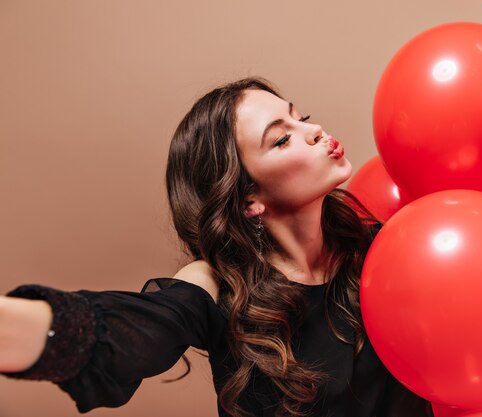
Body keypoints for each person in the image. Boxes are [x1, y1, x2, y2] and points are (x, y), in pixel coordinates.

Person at [0, 77, 432, 417]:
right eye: (281, 139)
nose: (314, 131)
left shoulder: (384, 249)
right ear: (249, 200)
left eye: (301, 117)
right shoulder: (217, 284)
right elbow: (130, 329)